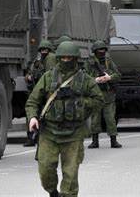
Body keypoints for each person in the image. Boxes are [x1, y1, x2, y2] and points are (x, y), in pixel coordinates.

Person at [25, 41, 103, 197]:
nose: (66, 61)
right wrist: (33, 117)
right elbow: (33, 101)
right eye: (63, 58)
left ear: (76, 59)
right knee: (45, 171)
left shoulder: (85, 80)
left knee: (71, 175)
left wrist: (80, 103)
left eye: (70, 58)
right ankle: (53, 193)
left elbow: (99, 100)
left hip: (74, 134)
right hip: (49, 133)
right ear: (58, 58)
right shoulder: (48, 78)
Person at [85, 40, 122, 149]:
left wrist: (109, 78)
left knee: (110, 118)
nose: (101, 52)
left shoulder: (108, 61)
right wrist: (95, 80)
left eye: (103, 50)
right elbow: (84, 77)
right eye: (99, 50)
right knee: (95, 119)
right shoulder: (90, 63)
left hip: (108, 94)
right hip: (95, 94)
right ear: (95, 51)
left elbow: (118, 75)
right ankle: (95, 140)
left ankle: (113, 140)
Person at [24, 39, 57, 147]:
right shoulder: (37, 62)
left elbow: (50, 75)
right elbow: (29, 74)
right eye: (42, 50)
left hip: (46, 92)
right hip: (37, 91)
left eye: (45, 49)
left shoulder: (51, 58)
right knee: (32, 114)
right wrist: (29, 77)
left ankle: (40, 138)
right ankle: (32, 137)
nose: (43, 51)